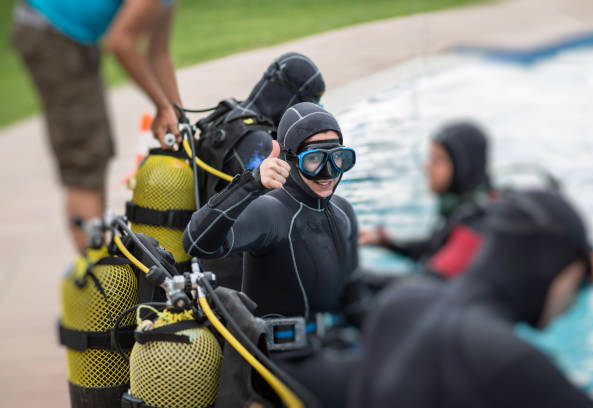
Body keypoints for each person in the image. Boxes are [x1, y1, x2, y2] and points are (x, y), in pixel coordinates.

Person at [351, 190, 593, 408]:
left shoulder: (401, 300)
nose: (572, 303)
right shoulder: (506, 358)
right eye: (579, 284)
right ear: (557, 272)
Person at [183, 102, 366, 406]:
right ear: (290, 159)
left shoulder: (344, 213)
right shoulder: (272, 211)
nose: (328, 173)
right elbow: (197, 242)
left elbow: (354, 300)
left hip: (328, 347)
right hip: (278, 363)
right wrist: (251, 184)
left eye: (338, 159)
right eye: (314, 161)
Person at [11, 0, 182, 252]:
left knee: (95, 151)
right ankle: (98, 280)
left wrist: (177, 114)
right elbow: (120, 42)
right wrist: (162, 105)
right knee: (85, 159)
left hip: (70, 37)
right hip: (53, 33)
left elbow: (159, 54)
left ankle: (100, 261)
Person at [192, 52, 325, 289]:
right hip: (235, 279)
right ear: (294, 97)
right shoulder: (260, 144)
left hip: (208, 262)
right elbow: (278, 215)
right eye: (310, 102)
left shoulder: (229, 116)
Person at [359, 121, 496, 280]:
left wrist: (352, 279)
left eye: (438, 160)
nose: (427, 166)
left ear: (463, 169)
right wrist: (384, 240)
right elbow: (435, 248)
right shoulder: (466, 209)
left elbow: (430, 282)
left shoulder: (475, 225)